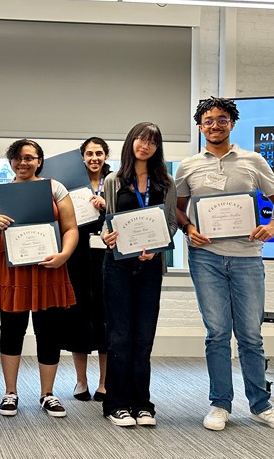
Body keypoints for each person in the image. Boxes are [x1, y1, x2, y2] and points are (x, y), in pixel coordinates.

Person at [175, 97, 274, 433]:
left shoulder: (253, 160)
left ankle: (261, 405)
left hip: (247, 257)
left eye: (222, 119)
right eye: (209, 120)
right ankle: (220, 404)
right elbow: (178, 208)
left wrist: (273, 226)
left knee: (251, 336)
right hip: (206, 259)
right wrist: (188, 227)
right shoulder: (188, 167)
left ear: (232, 123)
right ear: (200, 126)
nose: (215, 125)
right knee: (216, 334)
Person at [0, 139, 78, 418]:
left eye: (29, 157)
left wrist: (64, 255)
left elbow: (70, 228)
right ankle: (10, 392)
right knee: (11, 330)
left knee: (49, 332)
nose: (22, 162)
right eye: (16, 157)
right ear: (10, 161)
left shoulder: (55, 188)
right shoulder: (1, 194)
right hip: (12, 270)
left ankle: (47, 394)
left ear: (39, 161)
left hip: (49, 267)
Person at [101, 122, 178, 427]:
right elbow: (108, 221)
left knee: (144, 337)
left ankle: (142, 404)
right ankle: (117, 404)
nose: (145, 146)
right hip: (117, 265)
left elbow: (171, 222)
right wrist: (108, 235)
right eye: (140, 140)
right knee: (119, 337)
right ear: (131, 142)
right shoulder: (114, 180)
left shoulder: (166, 183)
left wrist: (158, 248)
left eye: (152, 142)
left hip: (150, 267)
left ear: (157, 149)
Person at [63, 137, 111, 402]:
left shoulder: (116, 181)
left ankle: (104, 382)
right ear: (82, 156)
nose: (94, 158)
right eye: (90, 153)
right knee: (77, 317)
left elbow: (127, 214)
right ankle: (81, 381)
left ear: (106, 156)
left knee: (105, 317)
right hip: (77, 256)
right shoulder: (71, 185)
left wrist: (107, 205)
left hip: (106, 255)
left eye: (99, 153)